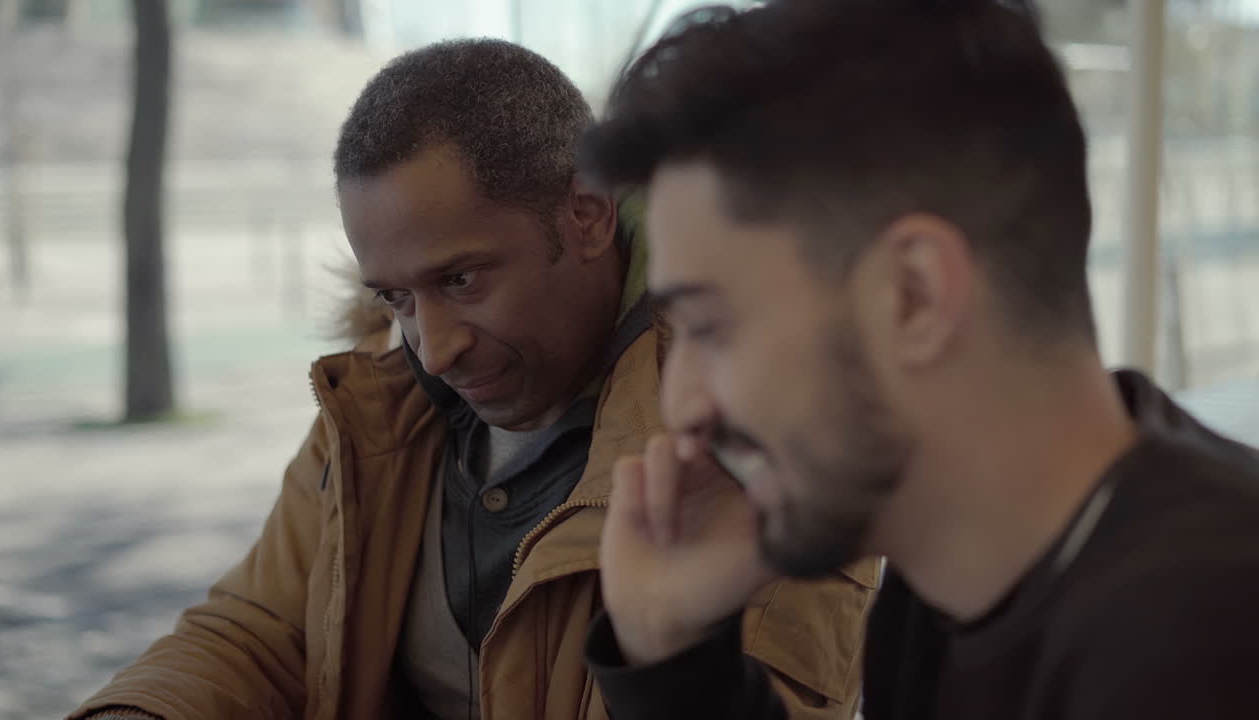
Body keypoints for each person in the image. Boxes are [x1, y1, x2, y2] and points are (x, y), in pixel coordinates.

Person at [69, 39, 879, 720]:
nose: (433, 347)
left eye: (462, 280)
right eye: (396, 298)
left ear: (588, 215)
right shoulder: (380, 412)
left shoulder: (746, 437)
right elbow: (259, 632)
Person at [573, 1, 1259, 719]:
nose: (680, 406)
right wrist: (669, 652)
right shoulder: (943, 582)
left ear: (914, 295)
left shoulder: (1204, 644)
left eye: (710, 327)